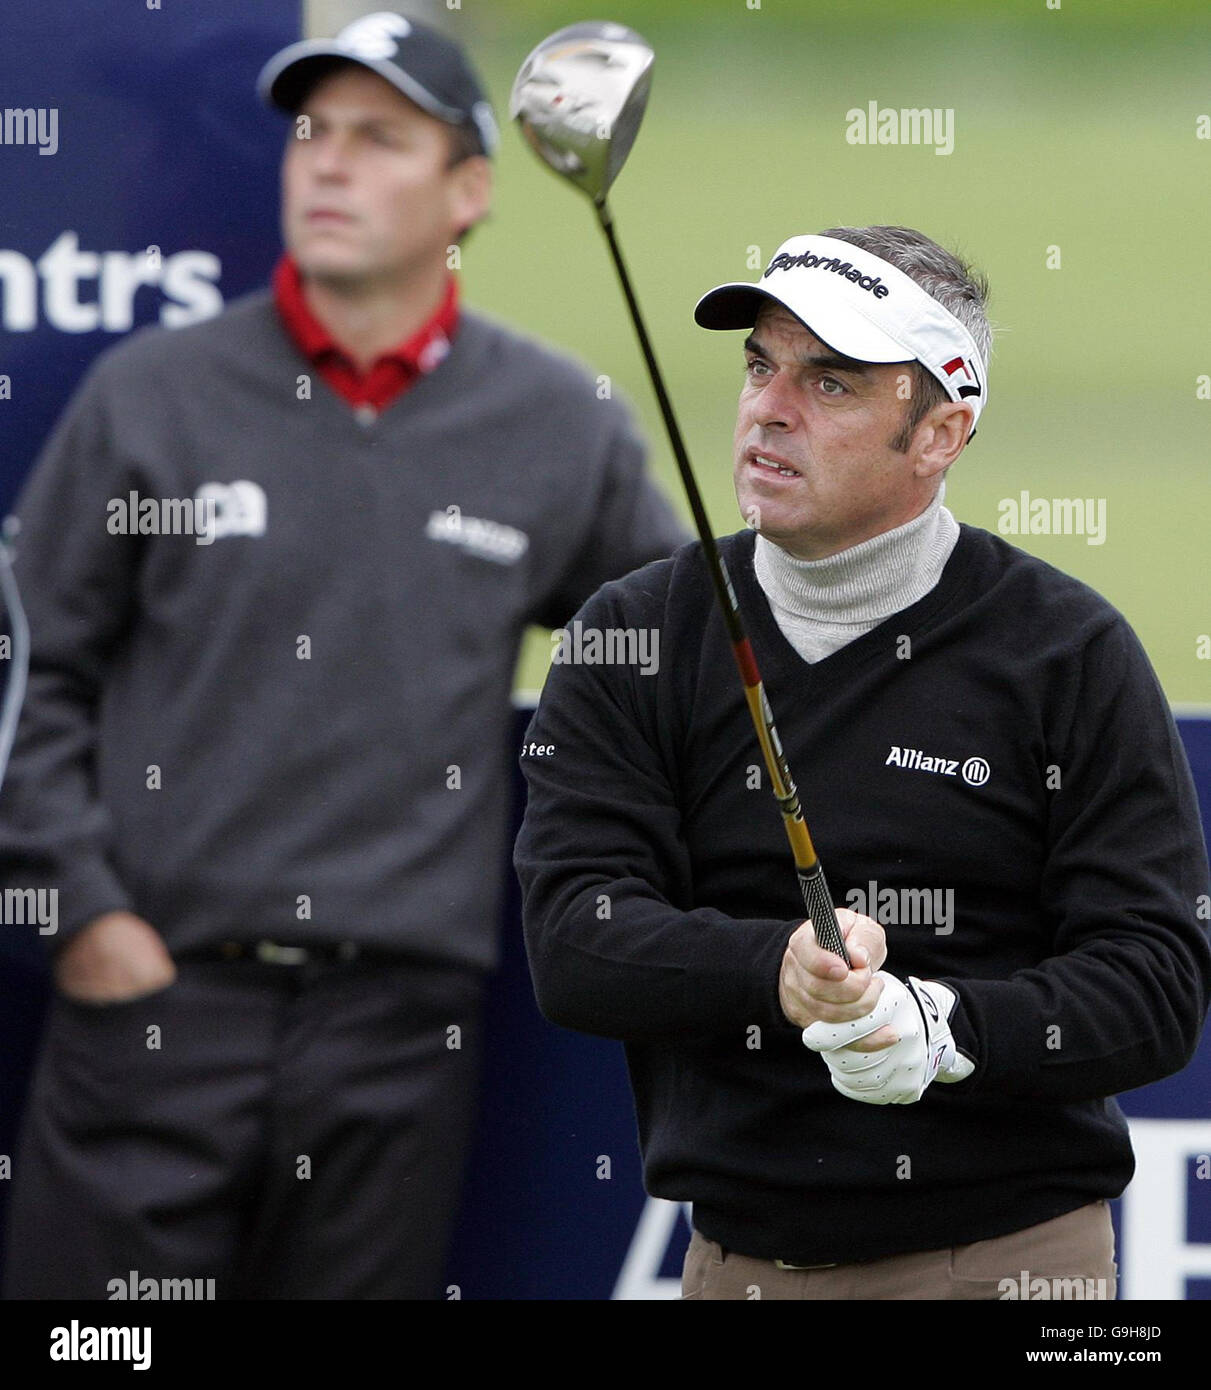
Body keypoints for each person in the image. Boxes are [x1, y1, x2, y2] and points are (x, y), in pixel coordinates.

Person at [0, 12, 686, 1300]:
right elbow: (28, 673)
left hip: (398, 1026)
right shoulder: (152, 394)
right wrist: (83, 916)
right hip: (152, 1002)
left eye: (380, 140)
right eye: (313, 134)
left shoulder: (555, 423)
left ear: (468, 192)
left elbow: (671, 657)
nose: (328, 164)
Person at [514, 225, 1211, 1300]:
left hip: (1013, 1266)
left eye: (829, 382)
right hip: (735, 1268)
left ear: (939, 432)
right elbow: (573, 937)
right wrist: (778, 974)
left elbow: (1155, 983)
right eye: (759, 364)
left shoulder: (1065, 650)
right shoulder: (636, 631)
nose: (767, 408)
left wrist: (944, 1032)